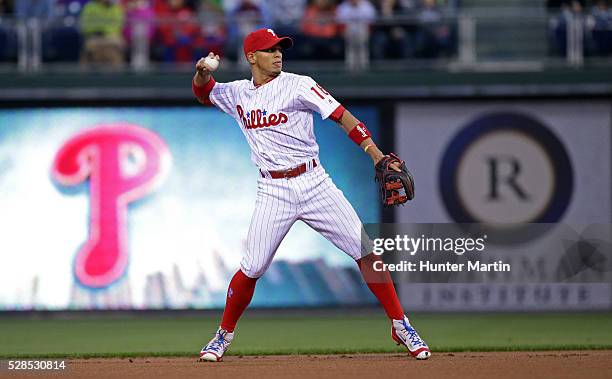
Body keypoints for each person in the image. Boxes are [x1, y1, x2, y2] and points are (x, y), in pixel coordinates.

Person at [191, 28, 431, 362]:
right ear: (251, 57)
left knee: (365, 250)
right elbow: (205, 94)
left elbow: (342, 116)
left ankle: (400, 324)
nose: (278, 54)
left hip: (314, 182)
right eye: (269, 49)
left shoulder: (299, 84)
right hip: (272, 189)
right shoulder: (238, 93)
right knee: (252, 267)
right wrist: (202, 72)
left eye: (280, 48)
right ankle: (222, 336)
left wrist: (376, 155)